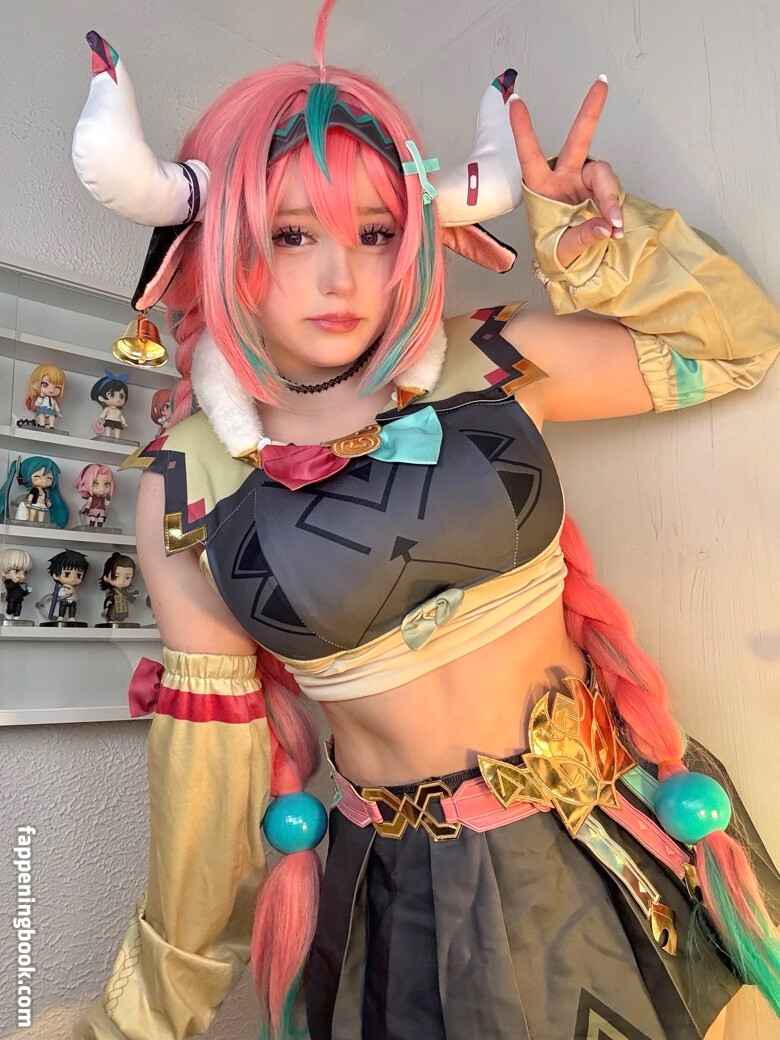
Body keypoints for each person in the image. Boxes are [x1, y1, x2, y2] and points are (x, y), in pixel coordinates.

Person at [71, 5, 780, 1040]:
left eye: (375, 231)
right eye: (293, 233)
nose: (342, 276)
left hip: (623, 839)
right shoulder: (189, 479)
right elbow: (207, 794)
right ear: (225, 244)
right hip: (409, 908)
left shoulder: (490, 359)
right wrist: (141, 1016)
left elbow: (735, 348)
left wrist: (591, 248)